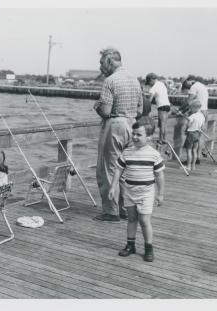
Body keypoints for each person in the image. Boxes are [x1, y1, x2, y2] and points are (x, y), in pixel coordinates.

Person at [93, 47, 143, 222]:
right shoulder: (134, 79)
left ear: (109, 61)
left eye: (101, 63)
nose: (100, 67)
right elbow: (141, 108)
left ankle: (110, 211)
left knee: (108, 169)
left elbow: (106, 110)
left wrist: (97, 106)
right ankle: (124, 208)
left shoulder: (110, 81)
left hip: (116, 125)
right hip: (132, 124)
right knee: (123, 170)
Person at [108, 117, 165, 262]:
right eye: (133, 134)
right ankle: (130, 245)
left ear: (149, 137)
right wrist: (113, 185)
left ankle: (148, 248)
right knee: (132, 219)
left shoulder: (154, 154)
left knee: (144, 221)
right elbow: (118, 169)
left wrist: (161, 194)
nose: (134, 137)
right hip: (129, 192)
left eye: (139, 135)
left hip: (146, 193)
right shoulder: (127, 152)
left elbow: (159, 175)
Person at [181, 77, 209, 164]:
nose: (186, 86)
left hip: (197, 113)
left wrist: (180, 110)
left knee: (191, 136)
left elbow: (189, 102)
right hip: (205, 112)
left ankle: (190, 159)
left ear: (189, 81)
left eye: (185, 84)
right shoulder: (202, 86)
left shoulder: (194, 87)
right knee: (200, 137)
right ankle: (198, 158)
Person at [145, 73, 171, 143]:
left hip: (161, 106)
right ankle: (164, 139)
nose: (149, 85)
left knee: (162, 124)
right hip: (167, 105)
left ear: (151, 80)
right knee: (164, 124)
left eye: (149, 83)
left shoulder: (153, 87)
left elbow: (150, 100)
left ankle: (161, 139)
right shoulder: (161, 84)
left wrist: (145, 106)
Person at [183, 100, 205, 171]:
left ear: (195, 108)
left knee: (189, 150)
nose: (190, 110)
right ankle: (193, 166)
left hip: (191, 134)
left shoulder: (192, 116)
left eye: (191, 108)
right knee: (194, 150)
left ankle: (188, 166)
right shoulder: (202, 116)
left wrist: (186, 129)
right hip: (197, 134)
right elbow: (202, 126)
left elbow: (188, 125)